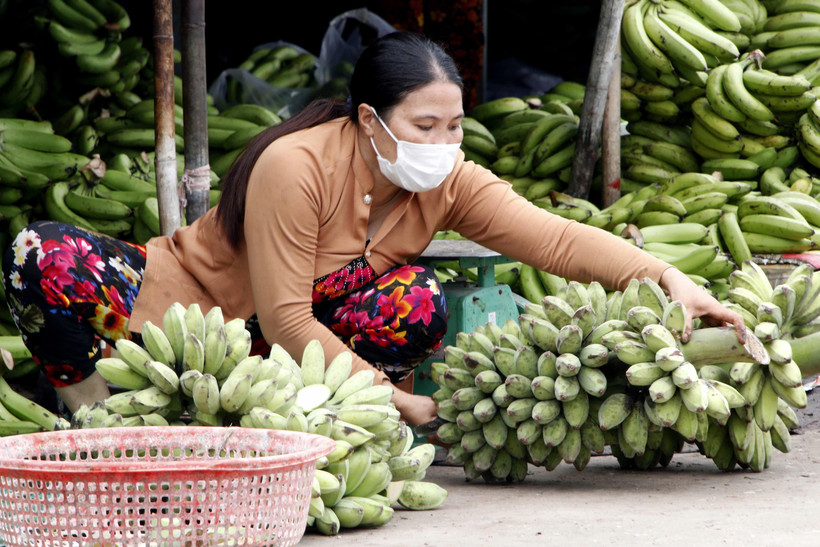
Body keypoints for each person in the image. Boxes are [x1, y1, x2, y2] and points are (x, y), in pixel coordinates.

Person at [1, 31, 746, 428]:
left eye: (454, 123)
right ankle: (89, 412)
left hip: (285, 356)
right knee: (40, 253)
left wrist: (672, 279)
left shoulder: (445, 177)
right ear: (368, 120)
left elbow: (554, 239)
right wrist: (398, 401)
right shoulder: (298, 165)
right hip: (184, 313)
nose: (443, 141)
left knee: (415, 300)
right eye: (425, 124)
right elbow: (289, 313)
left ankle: (285, 419)